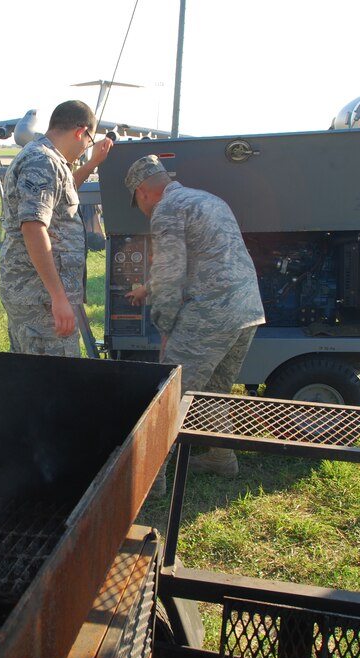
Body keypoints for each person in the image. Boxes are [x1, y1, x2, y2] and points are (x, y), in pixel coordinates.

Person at [124, 155, 265, 488]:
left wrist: (165, 326)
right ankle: (220, 457)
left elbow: (171, 273)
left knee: (169, 394)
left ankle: (149, 481)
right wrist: (147, 289)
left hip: (210, 314)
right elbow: (205, 258)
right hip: (246, 308)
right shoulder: (207, 199)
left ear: (143, 191)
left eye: (138, 202)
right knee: (214, 391)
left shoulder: (166, 210)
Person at [0, 100, 113, 356]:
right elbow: (33, 228)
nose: (86, 148)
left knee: (31, 378)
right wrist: (58, 297)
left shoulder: (45, 158)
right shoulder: (42, 161)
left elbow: (61, 191)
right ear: (80, 132)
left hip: (36, 294)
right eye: (88, 142)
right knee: (56, 381)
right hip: (42, 299)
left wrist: (92, 163)